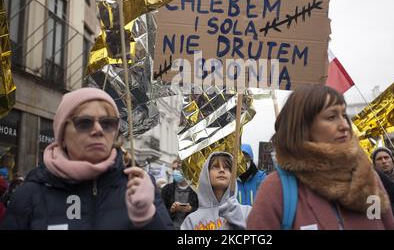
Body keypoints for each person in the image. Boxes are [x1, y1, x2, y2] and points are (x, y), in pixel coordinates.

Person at [1, 87, 172, 230]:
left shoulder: (138, 183)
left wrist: (147, 216)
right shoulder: (31, 193)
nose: (98, 130)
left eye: (107, 123)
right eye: (84, 123)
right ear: (62, 134)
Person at [247, 85, 394, 230]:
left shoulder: (367, 178)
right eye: (331, 117)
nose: (344, 125)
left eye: (344, 115)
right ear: (303, 127)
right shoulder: (277, 188)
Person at [180, 151, 251, 230]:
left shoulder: (246, 212)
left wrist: (240, 222)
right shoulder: (191, 220)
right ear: (206, 174)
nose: (221, 170)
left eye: (227, 167)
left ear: (232, 174)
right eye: (215, 166)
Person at [161, 158, 199, 229]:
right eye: (173, 169)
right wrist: (171, 210)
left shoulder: (196, 190)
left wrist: (190, 209)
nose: (175, 171)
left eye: (178, 168)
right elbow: (161, 213)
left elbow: (203, 212)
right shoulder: (167, 189)